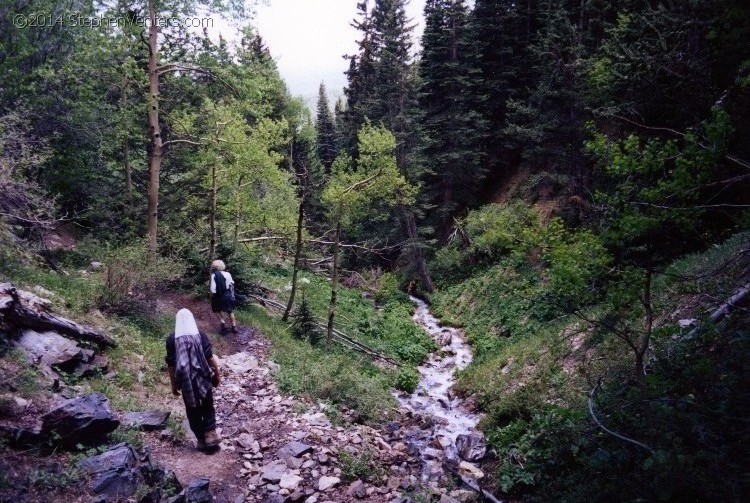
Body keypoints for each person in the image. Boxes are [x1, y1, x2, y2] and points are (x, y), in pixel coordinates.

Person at [165, 308, 222, 451]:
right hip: (203, 376)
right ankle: (210, 433)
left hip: (185, 381)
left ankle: (201, 440)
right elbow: (209, 358)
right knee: (208, 404)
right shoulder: (200, 335)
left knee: (192, 408)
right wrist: (217, 374)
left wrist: (173, 385)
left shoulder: (172, 340)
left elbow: (171, 365)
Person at [209, 259, 238, 334]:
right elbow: (231, 284)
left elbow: (213, 289)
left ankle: (223, 323)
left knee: (216, 309)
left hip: (218, 296)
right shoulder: (228, 274)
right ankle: (234, 327)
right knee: (230, 311)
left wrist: (212, 295)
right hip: (227, 294)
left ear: (214, 267)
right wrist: (232, 295)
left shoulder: (214, 275)